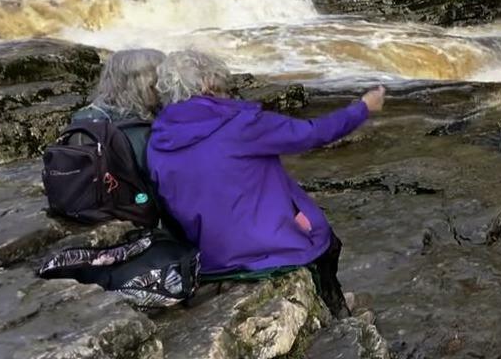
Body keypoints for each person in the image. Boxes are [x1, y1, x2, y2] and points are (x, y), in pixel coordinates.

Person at [146, 50, 385, 318]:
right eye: (222, 86)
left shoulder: (157, 140)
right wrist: (362, 108)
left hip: (209, 257)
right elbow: (312, 133)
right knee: (327, 243)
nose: (227, 92)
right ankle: (338, 313)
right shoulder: (242, 124)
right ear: (207, 86)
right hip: (265, 251)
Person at [71, 48, 166, 173]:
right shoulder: (143, 132)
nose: (163, 88)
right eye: (157, 83)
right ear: (141, 86)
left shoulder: (81, 117)